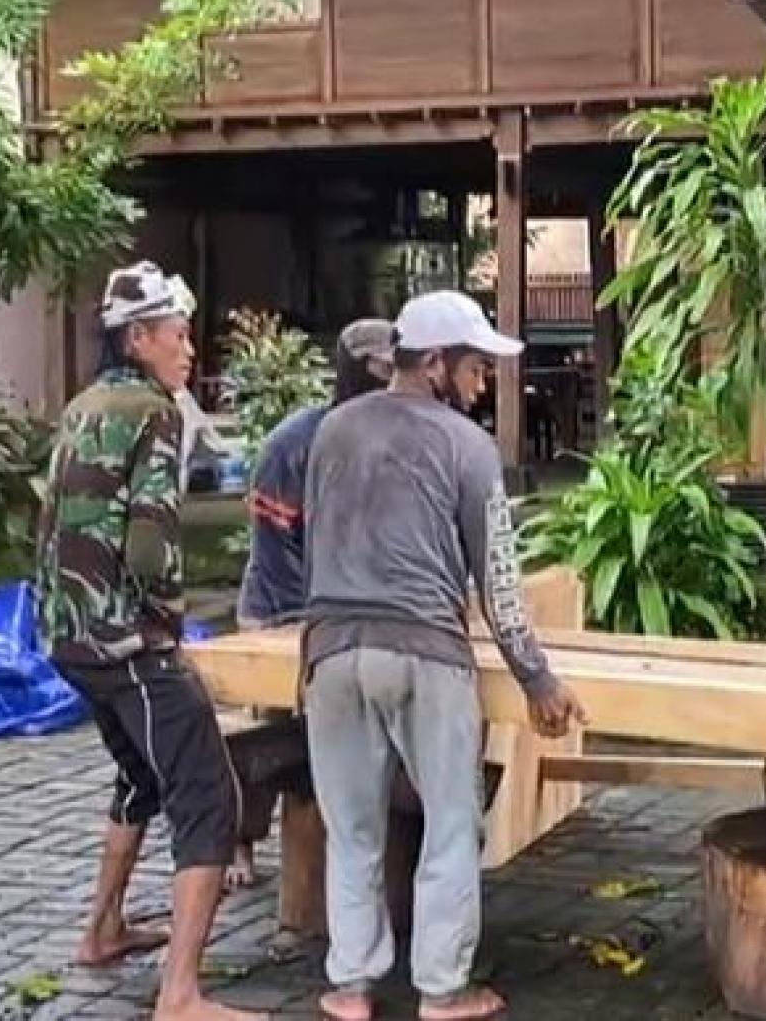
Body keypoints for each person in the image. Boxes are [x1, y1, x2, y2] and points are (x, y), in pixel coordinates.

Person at [301, 290, 588, 1021]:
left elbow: (313, 543)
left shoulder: (332, 430)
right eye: (474, 367)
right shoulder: (468, 447)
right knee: (452, 825)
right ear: (433, 363)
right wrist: (536, 677)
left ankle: (350, 986)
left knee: (352, 828)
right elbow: (498, 580)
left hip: (330, 654)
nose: (482, 383)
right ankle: (442, 990)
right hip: (425, 653)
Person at [37, 260, 265, 1021]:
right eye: (177, 334)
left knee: (140, 775)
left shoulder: (84, 404)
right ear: (137, 338)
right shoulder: (154, 411)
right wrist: (166, 624)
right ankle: (181, 994)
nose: (189, 349)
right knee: (209, 796)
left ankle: (102, 931)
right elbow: (148, 545)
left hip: (66, 635)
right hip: (124, 642)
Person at [227, 319, 396, 891]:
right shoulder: (294, 445)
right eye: (383, 369)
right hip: (281, 608)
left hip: (351, 616)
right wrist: (295, 631)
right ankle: (239, 840)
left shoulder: (389, 439)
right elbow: (275, 552)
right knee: (267, 732)